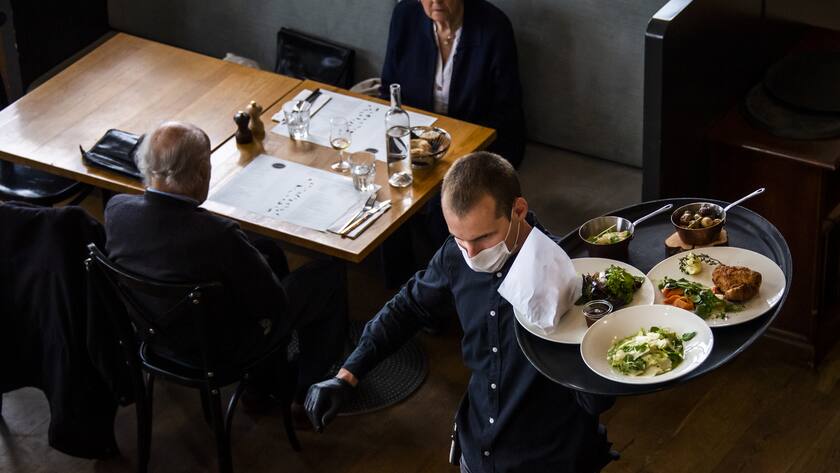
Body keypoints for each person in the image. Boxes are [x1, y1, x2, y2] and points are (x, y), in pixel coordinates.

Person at [305, 152, 615, 472]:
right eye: (459, 238)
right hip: (475, 450)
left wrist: (596, 343)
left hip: (547, 460)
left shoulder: (568, 276)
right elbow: (408, 307)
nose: (471, 254)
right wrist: (347, 376)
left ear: (518, 211)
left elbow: (595, 401)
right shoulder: (457, 255)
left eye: (483, 238)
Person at [104, 121, 347, 421]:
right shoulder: (217, 234)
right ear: (200, 173)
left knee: (267, 251)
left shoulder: (117, 211)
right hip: (222, 350)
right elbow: (273, 304)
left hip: (159, 337)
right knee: (328, 275)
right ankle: (303, 396)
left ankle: (262, 388)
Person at [381, 0, 526, 168]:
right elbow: (389, 90)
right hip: (419, 143)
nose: (436, 1)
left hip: (482, 144)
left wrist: (452, 148)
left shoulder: (495, 27)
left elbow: (507, 110)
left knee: (446, 190)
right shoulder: (404, 16)